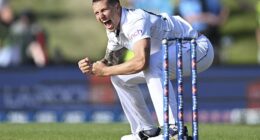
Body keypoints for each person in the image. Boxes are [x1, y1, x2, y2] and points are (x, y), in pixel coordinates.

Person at [78, 0, 214, 139]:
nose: (101, 16)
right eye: (97, 13)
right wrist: (92, 67)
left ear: (117, 7)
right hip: (174, 54)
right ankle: (146, 130)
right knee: (119, 78)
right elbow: (109, 62)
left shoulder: (135, 20)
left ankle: (174, 130)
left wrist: (104, 71)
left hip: (198, 47)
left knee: (152, 64)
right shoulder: (113, 30)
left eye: (104, 10)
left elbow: (142, 62)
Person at [179, 0, 229, 65]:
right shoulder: (187, 2)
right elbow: (189, 18)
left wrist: (220, 19)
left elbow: (223, 9)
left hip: (213, 32)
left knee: (215, 58)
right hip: (196, 35)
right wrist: (208, 18)